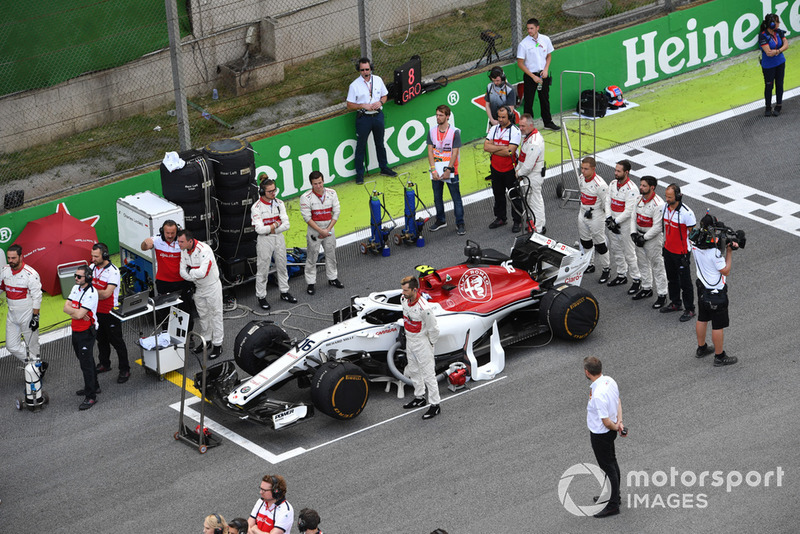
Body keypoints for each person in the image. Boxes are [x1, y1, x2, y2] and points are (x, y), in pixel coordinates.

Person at [692, 214, 738, 367]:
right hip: (716, 292)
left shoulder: (694, 242)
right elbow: (725, 271)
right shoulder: (715, 253)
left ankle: (701, 348)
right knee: (718, 325)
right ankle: (719, 356)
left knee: (702, 318)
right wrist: (729, 253)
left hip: (702, 287)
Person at [584, 356, 624, 518]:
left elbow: (606, 422)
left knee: (608, 467)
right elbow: (618, 401)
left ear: (587, 372)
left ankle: (613, 504)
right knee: (612, 463)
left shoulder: (599, 394)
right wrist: (620, 423)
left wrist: (615, 426)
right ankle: (614, 495)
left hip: (601, 434)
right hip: (609, 431)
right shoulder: (609, 380)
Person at [345, 57, 397, 184]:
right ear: (359, 70)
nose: (365, 72)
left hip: (378, 116)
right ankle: (360, 174)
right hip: (364, 118)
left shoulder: (378, 80)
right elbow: (349, 105)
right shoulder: (354, 85)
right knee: (361, 146)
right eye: (362, 70)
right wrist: (362, 105)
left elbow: (385, 96)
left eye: (367, 69)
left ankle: (384, 168)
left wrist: (380, 102)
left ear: (371, 68)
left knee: (380, 143)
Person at [400, 275, 441, 420]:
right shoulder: (404, 300)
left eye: (406, 290)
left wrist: (430, 344)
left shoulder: (425, 308)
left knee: (429, 374)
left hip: (422, 342)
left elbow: (434, 329)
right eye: (402, 290)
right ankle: (419, 397)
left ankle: (435, 405)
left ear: (414, 290)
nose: (403, 293)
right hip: (410, 341)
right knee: (414, 370)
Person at [251, 179, 297, 309]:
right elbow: (259, 230)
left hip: (278, 237)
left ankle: (284, 292)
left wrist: (271, 227)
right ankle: (261, 296)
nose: (273, 193)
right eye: (270, 191)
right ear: (262, 192)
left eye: (274, 190)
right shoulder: (256, 207)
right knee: (263, 269)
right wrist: (277, 223)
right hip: (264, 240)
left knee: (282, 265)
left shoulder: (279, 203)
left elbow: (286, 225)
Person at [178, 229, 224, 359]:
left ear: (190, 241)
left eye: (181, 242)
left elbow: (202, 273)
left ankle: (218, 345)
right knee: (203, 316)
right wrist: (193, 274)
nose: (179, 244)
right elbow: (181, 272)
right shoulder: (183, 251)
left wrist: (190, 272)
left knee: (216, 315)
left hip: (212, 287)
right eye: (178, 241)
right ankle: (207, 341)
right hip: (198, 288)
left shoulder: (205, 250)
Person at [89, 243, 130, 384]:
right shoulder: (91, 268)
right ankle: (104, 364)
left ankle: (125, 369)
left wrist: (91, 293)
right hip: (95, 312)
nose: (93, 259)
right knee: (101, 340)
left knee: (117, 342)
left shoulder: (113, 271)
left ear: (104, 255)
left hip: (110, 312)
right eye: (92, 256)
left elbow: (106, 293)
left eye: (96, 256)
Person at [300, 171, 343, 295]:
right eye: (315, 184)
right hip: (314, 229)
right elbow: (307, 218)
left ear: (323, 181)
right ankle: (310, 283)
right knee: (312, 256)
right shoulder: (305, 197)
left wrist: (327, 229)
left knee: (331, 254)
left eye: (320, 183)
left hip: (329, 227)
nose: (318, 186)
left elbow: (336, 212)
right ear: (311, 184)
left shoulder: (332, 193)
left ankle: (333, 278)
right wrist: (321, 231)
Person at [63, 265, 99, 411]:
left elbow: (76, 314)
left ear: (88, 277)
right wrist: (77, 311)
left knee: (86, 364)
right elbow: (65, 307)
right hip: (76, 330)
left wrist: (76, 312)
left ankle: (91, 396)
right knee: (86, 360)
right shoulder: (75, 288)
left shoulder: (91, 293)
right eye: (75, 276)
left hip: (86, 332)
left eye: (79, 276)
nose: (76, 278)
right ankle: (94, 386)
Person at [427, 104, 465, 236]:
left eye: (441, 115)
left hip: (451, 170)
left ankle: (460, 222)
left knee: (456, 198)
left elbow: (454, 153)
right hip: (436, 169)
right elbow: (430, 152)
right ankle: (440, 220)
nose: (438, 117)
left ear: (447, 116)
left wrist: (449, 169)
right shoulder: (432, 131)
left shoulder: (454, 132)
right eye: (437, 115)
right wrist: (433, 170)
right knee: (437, 197)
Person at [630, 176, 668, 308]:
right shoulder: (638, 199)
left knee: (657, 266)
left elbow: (658, 226)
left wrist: (644, 238)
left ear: (652, 187)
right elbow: (633, 216)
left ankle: (662, 294)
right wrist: (633, 233)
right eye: (641, 185)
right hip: (639, 235)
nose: (641, 187)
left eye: (644, 186)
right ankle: (646, 288)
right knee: (642, 263)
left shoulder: (659, 204)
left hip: (652, 239)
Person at [604, 160, 642, 294]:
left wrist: (615, 221)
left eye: (618, 171)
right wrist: (608, 218)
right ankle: (621, 275)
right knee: (616, 250)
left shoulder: (632, 189)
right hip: (612, 222)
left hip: (625, 225)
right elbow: (608, 200)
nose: (615, 173)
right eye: (615, 170)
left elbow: (629, 210)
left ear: (627, 172)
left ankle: (637, 279)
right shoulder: (613, 184)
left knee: (629, 253)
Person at [661, 184, 697, 322]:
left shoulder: (687, 213)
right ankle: (676, 303)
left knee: (685, 283)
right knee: (672, 279)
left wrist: (689, 252)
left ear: (678, 196)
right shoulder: (665, 207)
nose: (667, 199)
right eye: (666, 196)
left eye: (670, 197)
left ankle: (690, 309)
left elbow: (693, 234)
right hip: (668, 250)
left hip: (681, 253)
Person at [1, 244, 43, 363]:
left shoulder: (31, 274)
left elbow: (37, 297)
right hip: (12, 316)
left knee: (33, 346)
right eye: (9, 258)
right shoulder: (4, 270)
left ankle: (35, 370)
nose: (10, 261)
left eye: (13, 258)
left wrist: (35, 317)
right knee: (11, 346)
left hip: (27, 316)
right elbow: (1, 286)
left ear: (21, 257)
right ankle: (35, 363)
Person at [516, 18, 560, 131]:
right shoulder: (523, 44)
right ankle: (527, 126)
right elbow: (520, 63)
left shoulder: (545, 39)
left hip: (543, 75)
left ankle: (548, 122)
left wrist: (546, 70)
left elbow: (549, 55)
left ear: (537, 28)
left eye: (531, 28)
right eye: (528, 28)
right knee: (529, 102)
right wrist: (533, 76)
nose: (529, 31)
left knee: (545, 99)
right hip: (531, 76)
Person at [484, 106, 522, 232]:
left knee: (514, 195)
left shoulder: (515, 131)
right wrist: (502, 148)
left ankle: (518, 220)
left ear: (509, 117)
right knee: (498, 194)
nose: (500, 119)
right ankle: (501, 218)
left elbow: (510, 152)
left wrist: (494, 147)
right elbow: (486, 147)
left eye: (503, 117)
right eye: (499, 117)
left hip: (510, 169)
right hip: (495, 169)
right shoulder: (494, 128)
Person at [576, 157, 610, 282]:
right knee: (585, 241)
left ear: (593, 169)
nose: (583, 171)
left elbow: (606, 204)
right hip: (582, 212)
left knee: (600, 244)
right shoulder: (581, 178)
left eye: (586, 169)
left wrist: (607, 218)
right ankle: (589, 264)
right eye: (582, 168)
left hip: (596, 215)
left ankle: (606, 269)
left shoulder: (601, 185)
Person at [140, 219, 193, 297]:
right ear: (162, 232)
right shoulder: (157, 239)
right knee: (164, 308)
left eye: (172, 233)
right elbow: (144, 248)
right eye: (167, 233)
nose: (170, 236)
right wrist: (145, 243)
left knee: (185, 307)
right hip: (163, 282)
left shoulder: (182, 240)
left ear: (177, 232)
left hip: (182, 281)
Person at [515, 113, 546, 233]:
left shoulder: (534, 142)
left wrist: (518, 174)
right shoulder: (528, 136)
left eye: (523, 126)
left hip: (533, 176)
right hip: (529, 176)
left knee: (535, 202)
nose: (521, 128)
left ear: (531, 125)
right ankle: (535, 224)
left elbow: (528, 164)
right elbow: (522, 158)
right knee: (531, 200)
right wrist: (519, 170)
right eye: (520, 125)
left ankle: (538, 229)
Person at [759, 13, 789, 116]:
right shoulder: (763, 35)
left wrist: (777, 51)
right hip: (768, 66)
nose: (779, 23)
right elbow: (768, 52)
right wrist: (779, 50)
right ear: (771, 24)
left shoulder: (779, 32)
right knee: (769, 86)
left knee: (779, 84)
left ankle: (779, 105)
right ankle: (768, 107)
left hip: (780, 62)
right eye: (777, 22)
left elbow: (786, 45)